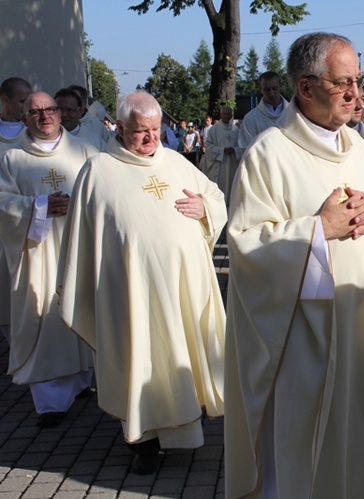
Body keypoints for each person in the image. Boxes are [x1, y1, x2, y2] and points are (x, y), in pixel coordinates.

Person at [223, 32, 364, 499]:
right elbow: (245, 246)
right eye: (343, 83)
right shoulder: (269, 154)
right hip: (308, 335)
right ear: (306, 87)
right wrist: (316, 230)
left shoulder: (359, 147)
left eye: (358, 82)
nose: (355, 94)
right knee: (312, 452)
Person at [57, 91, 226, 475]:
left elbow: (215, 197)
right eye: (140, 132)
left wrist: (206, 209)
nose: (151, 139)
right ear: (119, 128)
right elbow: (82, 238)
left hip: (181, 287)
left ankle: (184, 427)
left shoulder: (178, 162)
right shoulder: (98, 171)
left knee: (179, 355)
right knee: (140, 360)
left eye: (155, 129)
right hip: (129, 293)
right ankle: (144, 444)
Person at [0, 91, 97, 428]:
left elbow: (105, 190)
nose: (45, 116)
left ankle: (82, 380)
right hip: (36, 254)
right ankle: (50, 402)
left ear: (60, 112)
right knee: (42, 315)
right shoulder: (11, 159)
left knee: (80, 307)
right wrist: (38, 206)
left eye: (50, 109)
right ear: (24, 118)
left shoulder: (85, 151)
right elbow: (1, 203)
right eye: (35, 111)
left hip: (78, 246)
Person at [0, 77, 32, 344]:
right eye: (22, 101)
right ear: (5, 101)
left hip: (33, 227)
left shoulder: (35, 137)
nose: (26, 107)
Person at [238, 71, 289, 150]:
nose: (271, 93)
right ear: (261, 89)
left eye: (274, 88)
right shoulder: (250, 119)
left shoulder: (295, 113)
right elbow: (246, 150)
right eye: (267, 90)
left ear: (280, 86)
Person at [203, 105, 241, 202]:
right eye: (224, 114)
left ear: (231, 115)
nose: (226, 116)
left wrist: (234, 150)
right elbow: (209, 147)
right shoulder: (214, 130)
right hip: (219, 165)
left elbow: (241, 146)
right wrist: (222, 150)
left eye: (229, 114)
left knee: (232, 188)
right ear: (220, 115)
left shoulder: (236, 130)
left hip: (232, 164)